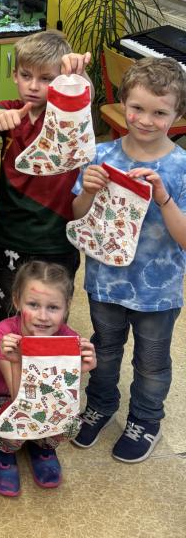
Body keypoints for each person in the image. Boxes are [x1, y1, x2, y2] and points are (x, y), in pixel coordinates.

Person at [71, 56, 186, 462]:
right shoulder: (100, 154)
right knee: (104, 351)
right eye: (137, 107)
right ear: (122, 103)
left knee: (151, 362)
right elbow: (77, 216)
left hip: (159, 293)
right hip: (106, 282)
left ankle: (146, 418)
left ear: (178, 114)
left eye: (160, 113)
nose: (146, 120)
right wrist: (88, 190)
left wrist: (164, 198)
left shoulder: (181, 167)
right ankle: (100, 404)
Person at [0, 30, 92, 323]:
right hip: (9, 234)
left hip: (56, 238)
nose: (33, 86)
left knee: (49, 318)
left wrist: (79, 74)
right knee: (6, 314)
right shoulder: (10, 110)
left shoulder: (68, 117)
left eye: (46, 79)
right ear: (14, 75)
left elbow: (85, 98)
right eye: (26, 75)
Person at [0, 260, 96, 496]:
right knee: (22, 418)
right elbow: (20, 400)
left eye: (53, 307)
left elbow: (63, 397)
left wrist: (81, 370)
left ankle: (42, 446)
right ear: (17, 301)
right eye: (33, 304)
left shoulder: (69, 339)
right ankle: (3, 451)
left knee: (70, 421)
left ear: (67, 307)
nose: (43, 316)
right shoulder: (4, 335)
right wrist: (17, 361)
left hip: (40, 403)